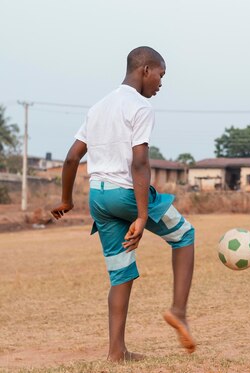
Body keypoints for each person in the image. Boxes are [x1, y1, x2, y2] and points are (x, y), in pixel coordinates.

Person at [50, 46, 196, 362]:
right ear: (145, 69)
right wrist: (142, 216)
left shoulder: (99, 107)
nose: (161, 83)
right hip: (126, 194)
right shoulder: (139, 107)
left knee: (121, 272)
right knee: (184, 236)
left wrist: (66, 199)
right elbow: (140, 163)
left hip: (99, 198)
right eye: (161, 74)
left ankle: (117, 352)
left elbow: (73, 156)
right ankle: (179, 312)